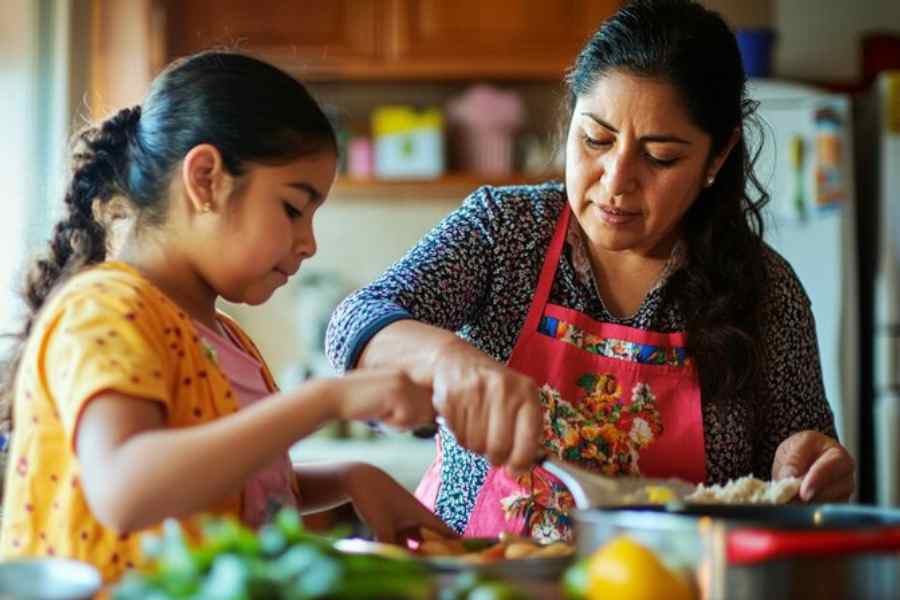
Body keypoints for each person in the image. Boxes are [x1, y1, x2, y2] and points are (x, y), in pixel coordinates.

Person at [326, 0, 855, 541]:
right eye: (596, 140)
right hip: (479, 575)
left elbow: (800, 453)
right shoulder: (505, 232)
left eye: (661, 157)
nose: (616, 181)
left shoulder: (764, 289)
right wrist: (450, 360)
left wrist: (805, 461)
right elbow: (356, 320)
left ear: (717, 158)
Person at [0, 51, 455, 582]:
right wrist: (326, 399)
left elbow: (233, 484)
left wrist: (353, 476)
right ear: (207, 178)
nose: (308, 243)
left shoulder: (225, 338)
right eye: (292, 208)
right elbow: (128, 489)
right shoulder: (106, 310)